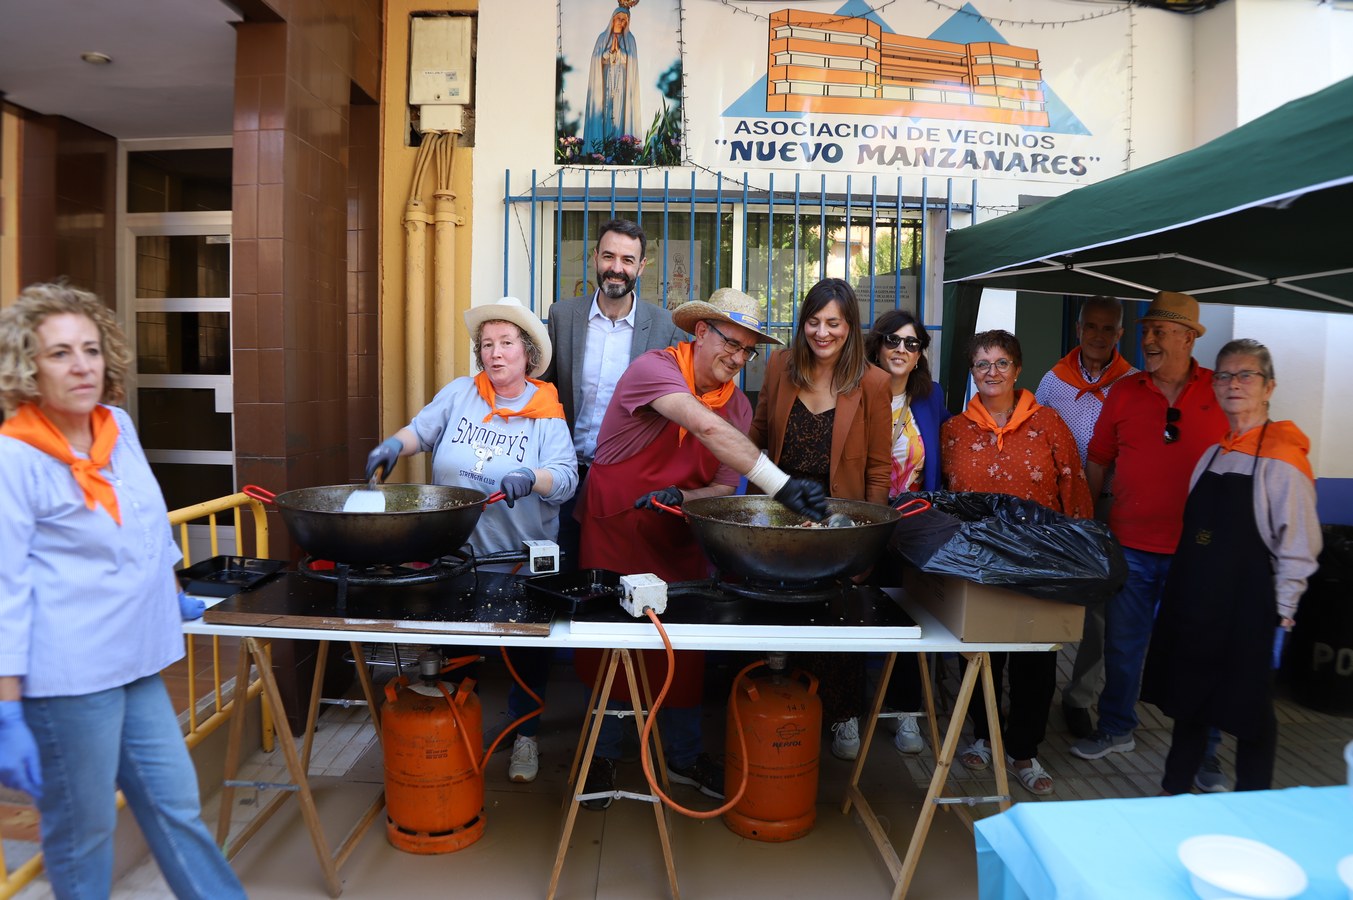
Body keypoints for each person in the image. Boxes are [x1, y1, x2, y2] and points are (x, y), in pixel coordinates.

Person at [0, 283, 245, 899]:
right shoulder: (14, 459)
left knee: (176, 808)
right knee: (83, 838)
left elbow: (145, 520)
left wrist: (168, 592)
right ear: (27, 366)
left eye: (89, 349)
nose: (81, 365)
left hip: (136, 656)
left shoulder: (118, 427)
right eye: (58, 353)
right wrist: (6, 709)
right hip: (70, 678)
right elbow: (4, 588)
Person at [574, 287, 827, 809]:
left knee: (682, 652)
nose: (736, 359)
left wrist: (680, 495)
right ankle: (603, 754)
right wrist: (780, 484)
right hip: (616, 531)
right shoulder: (655, 369)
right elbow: (701, 425)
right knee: (611, 647)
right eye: (730, 343)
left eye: (748, 351)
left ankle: (685, 758)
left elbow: (719, 486)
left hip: (677, 539)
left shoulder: (737, 406)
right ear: (701, 331)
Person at [365, 297, 578, 784]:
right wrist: (395, 444)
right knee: (460, 647)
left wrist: (535, 477)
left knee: (526, 654)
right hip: (459, 554)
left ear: (526, 354)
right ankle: (461, 726)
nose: (496, 353)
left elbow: (567, 479)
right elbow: (423, 430)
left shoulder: (546, 412)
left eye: (507, 344)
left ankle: (525, 735)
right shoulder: (462, 393)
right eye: (487, 344)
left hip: (521, 557)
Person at [518, 219, 681, 783]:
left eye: (628, 260)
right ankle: (526, 731)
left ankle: (619, 730)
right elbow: (532, 387)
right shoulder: (561, 318)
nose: (617, 267)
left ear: (643, 266)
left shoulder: (663, 327)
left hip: (629, 487)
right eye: (608, 256)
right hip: (563, 478)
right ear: (595, 258)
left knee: (621, 600)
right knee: (540, 596)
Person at [1141, 340, 1320, 793]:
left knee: (1250, 716)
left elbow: (1298, 546)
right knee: (1190, 707)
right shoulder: (1213, 454)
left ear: (1269, 387)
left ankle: (1252, 804)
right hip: (1197, 608)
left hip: (1250, 612)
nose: (1233, 384)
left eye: (1246, 376)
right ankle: (1173, 791)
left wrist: (1282, 613)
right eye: (1224, 375)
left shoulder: (1283, 458)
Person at [1070, 292, 1230, 794]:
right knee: (1122, 646)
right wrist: (1090, 525)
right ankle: (1117, 728)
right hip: (1131, 545)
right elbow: (1098, 460)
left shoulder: (1219, 391)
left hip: (1198, 550)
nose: (1150, 340)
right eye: (1146, 331)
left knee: (1199, 651)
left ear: (1188, 337)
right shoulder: (1125, 391)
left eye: (1161, 331)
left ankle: (1206, 753)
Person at [943, 329, 1093, 796]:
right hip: (979, 565)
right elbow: (946, 503)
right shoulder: (955, 430)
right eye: (982, 364)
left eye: (1001, 363)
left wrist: (1080, 556)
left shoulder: (1048, 424)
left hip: (1040, 564)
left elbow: (1074, 490)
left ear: (1018, 369)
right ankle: (985, 736)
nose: (991, 372)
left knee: (1036, 661)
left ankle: (1024, 749)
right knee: (982, 656)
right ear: (972, 371)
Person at [748, 278, 891, 761]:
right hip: (779, 515)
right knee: (776, 618)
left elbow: (877, 467)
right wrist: (749, 515)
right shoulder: (780, 365)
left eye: (833, 323)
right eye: (813, 321)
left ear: (850, 327)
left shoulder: (872, 382)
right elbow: (760, 435)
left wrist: (864, 538)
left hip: (838, 523)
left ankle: (842, 714)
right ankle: (772, 708)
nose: (822, 332)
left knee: (838, 619)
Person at [1034, 296, 1136, 739]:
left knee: (1100, 607)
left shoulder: (1132, 383)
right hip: (1057, 507)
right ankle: (1031, 691)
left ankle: (1079, 697)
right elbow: (1034, 435)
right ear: (1077, 330)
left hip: (1110, 504)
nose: (1097, 336)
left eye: (1107, 328)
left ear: (1119, 334)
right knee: (1043, 596)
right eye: (1090, 327)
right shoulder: (1053, 382)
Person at [864, 308, 950, 754]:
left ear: (920, 355)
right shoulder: (854, 391)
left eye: (911, 344)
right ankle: (846, 716)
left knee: (909, 623)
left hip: (913, 530)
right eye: (893, 341)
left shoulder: (930, 397)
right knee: (856, 617)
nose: (901, 349)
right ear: (877, 346)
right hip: (861, 526)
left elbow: (943, 462)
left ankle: (905, 714)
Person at [582, 2, 642, 158]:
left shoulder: (630, 39)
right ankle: (603, 150)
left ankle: (619, 149)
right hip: (606, 82)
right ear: (612, 19)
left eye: (624, 20)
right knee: (606, 112)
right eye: (618, 19)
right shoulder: (603, 38)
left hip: (621, 82)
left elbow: (632, 63)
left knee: (620, 112)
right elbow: (597, 60)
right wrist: (609, 52)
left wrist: (620, 52)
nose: (621, 22)